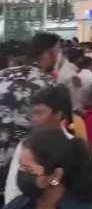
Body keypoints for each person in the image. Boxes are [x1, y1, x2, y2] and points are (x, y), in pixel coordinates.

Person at [0, 32, 60, 200]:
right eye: (57, 51)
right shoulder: (49, 85)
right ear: (49, 53)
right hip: (25, 174)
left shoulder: (3, 75)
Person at [5, 84, 73, 205]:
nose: (34, 119)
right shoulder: (25, 145)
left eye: (40, 113)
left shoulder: (73, 146)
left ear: (58, 114)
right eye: (33, 113)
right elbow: (12, 188)